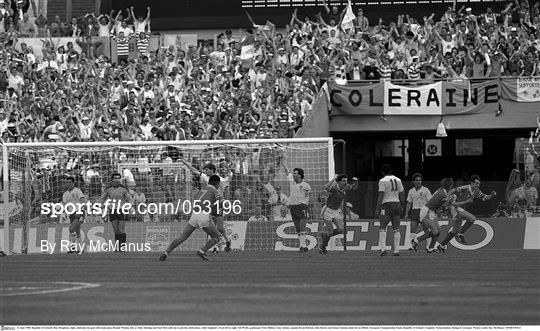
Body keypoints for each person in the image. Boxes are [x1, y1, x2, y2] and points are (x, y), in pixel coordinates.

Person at [159, 175, 223, 261]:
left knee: (182, 237)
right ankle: (202, 251)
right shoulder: (215, 191)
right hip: (203, 215)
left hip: (195, 214)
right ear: (217, 183)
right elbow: (223, 203)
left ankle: (166, 252)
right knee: (217, 237)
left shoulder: (203, 188)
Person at [180, 157, 232, 252]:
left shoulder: (219, 179)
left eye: (207, 169)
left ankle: (228, 241)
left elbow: (227, 189)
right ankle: (215, 247)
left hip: (219, 204)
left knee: (219, 227)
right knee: (209, 226)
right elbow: (195, 171)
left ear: (212, 170)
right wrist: (185, 163)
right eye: (205, 170)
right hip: (209, 205)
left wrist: (226, 202)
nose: (205, 171)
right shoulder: (205, 177)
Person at [439, 175, 496, 248]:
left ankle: (442, 245)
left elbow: (485, 197)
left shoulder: (476, 191)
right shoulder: (465, 188)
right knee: (472, 218)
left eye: (479, 184)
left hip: (460, 211)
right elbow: (452, 190)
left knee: (454, 232)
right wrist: (447, 197)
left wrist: (491, 196)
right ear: (472, 183)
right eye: (476, 183)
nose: (478, 185)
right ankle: (461, 233)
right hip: (455, 208)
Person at [412, 177, 455, 253]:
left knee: (438, 231)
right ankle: (416, 240)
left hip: (431, 211)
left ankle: (430, 248)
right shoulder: (443, 193)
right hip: (426, 211)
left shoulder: (442, 191)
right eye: (451, 184)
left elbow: (443, 205)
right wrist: (452, 199)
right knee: (435, 232)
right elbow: (446, 205)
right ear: (450, 185)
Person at [319, 174, 358, 254]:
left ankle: (324, 235)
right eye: (343, 181)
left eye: (346, 181)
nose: (345, 182)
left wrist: (356, 181)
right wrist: (333, 178)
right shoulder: (334, 188)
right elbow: (326, 187)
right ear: (339, 182)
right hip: (328, 211)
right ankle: (323, 247)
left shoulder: (346, 186)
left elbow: (354, 187)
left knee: (341, 229)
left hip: (336, 211)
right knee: (329, 232)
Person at [97, 172, 133, 252]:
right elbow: (102, 198)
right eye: (115, 178)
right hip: (112, 210)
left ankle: (122, 248)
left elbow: (130, 199)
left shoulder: (124, 188)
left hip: (122, 210)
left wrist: (129, 206)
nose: (117, 180)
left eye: (118, 178)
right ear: (112, 180)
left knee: (121, 229)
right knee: (116, 230)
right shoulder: (108, 189)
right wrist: (96, 205)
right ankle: (117, 248)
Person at [374, 164, 404, 256]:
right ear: (390, 171)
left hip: (387, 204)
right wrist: (402, 206)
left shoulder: (382, 181)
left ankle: (383, 249)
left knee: (382, 227)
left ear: (382, 172)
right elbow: (402, 193)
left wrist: (377, 208)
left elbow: (381, 195)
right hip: (397, 203)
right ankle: (396, 250)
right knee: (396, 228)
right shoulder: (398, 180)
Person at [282, 160, 311, 252]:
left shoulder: (305, 185)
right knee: (298, 229)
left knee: (302, 227)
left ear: (300, 175)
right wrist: (283, 163)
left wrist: (308, 207)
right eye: (293, 173)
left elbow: (310, 197)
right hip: (293, 208)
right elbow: (287, 172)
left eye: (296, 173)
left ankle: (303, 246)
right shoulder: (292, 183)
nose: (294, 175)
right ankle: (302, 246)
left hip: (302, 207)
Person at [404, 173, 432, 251]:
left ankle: (429, 246)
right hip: (415, 211)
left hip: (424, 211)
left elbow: (430, 201)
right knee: (413, 228)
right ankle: (412, 246)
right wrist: (406, 213)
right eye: (417, 180)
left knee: (426, 229)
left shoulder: (425, 190)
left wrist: (429, 211)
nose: (419, 182)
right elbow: (409, 203)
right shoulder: (411, 191)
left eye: (420, 180)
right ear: (413, 182)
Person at [63, 176, 85, 253]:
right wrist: (65, 213)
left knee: (71, 229)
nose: (68, 184)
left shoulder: (77, 191)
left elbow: (82, 201)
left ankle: (72, 248)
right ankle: (80, 249)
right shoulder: (65, 194)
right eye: (67, 182)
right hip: (71, 214)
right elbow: (65, 205)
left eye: (70, 182)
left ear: (73, 183)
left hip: (79, 213)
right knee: (77, 232)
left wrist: (79, 211)